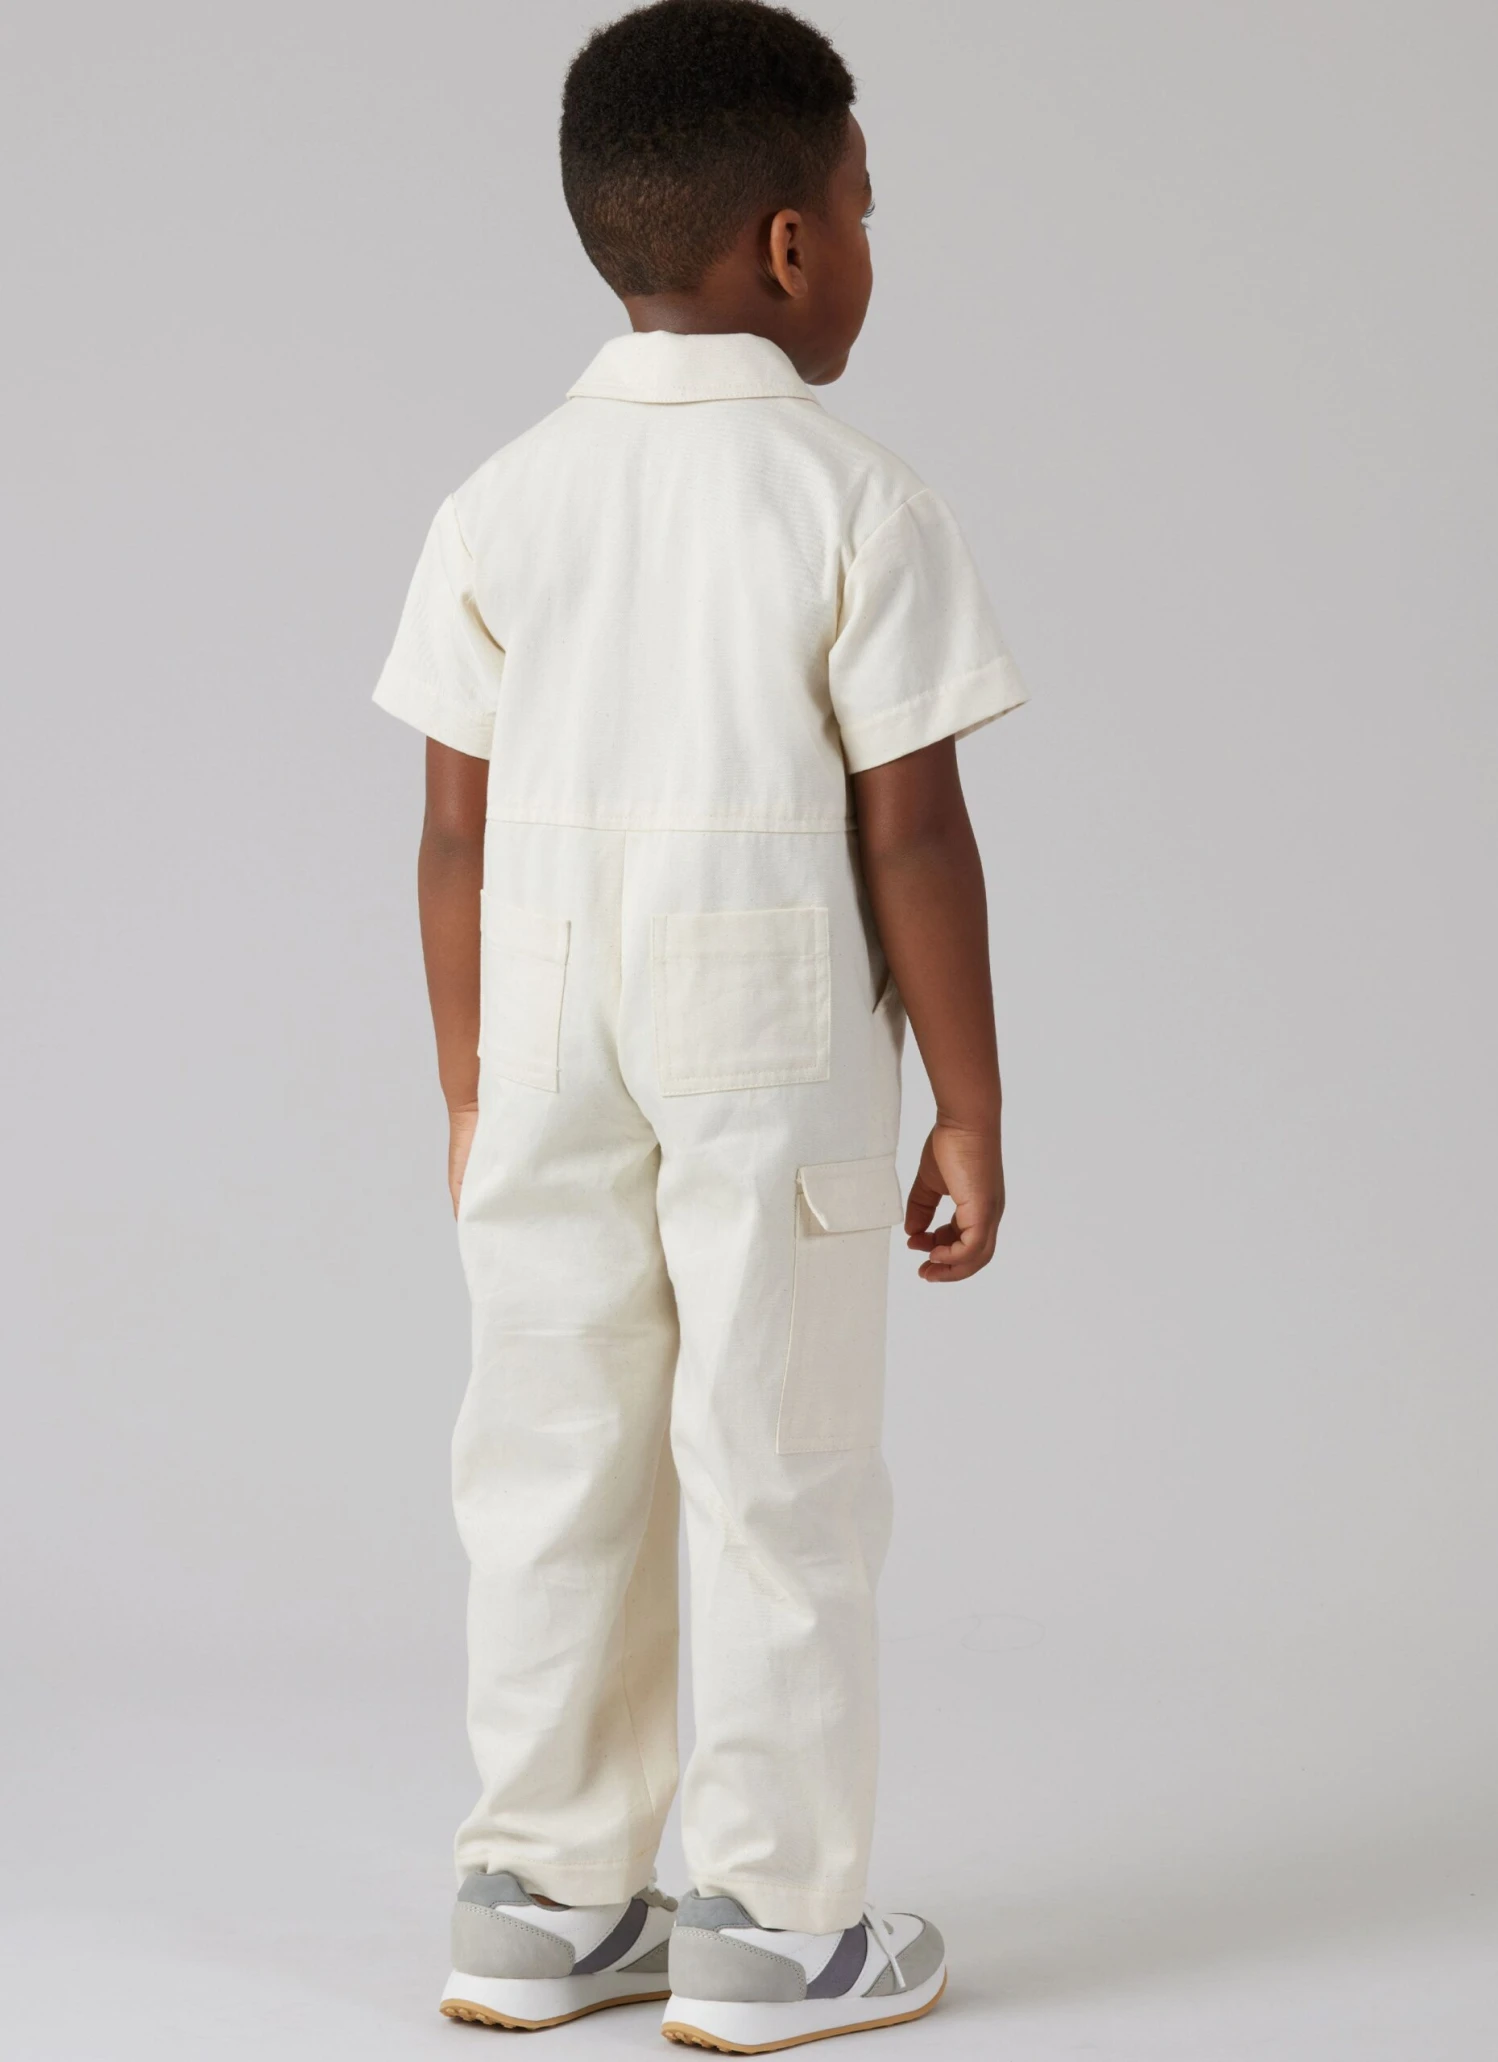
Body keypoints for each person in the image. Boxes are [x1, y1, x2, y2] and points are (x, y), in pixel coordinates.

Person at [373, 1, 1026, 2046]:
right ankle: (773, 1918)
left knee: (550, 1441)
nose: (867, 240)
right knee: (775, 1447)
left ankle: (539, 1892)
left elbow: (452, 831)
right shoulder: (856, 500)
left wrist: (472, 1072)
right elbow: (911, 825)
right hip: (767, 1002)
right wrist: (972, 1100)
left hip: (543, 1006)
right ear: (790, 244)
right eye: (864, 205)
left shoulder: (498, 500)